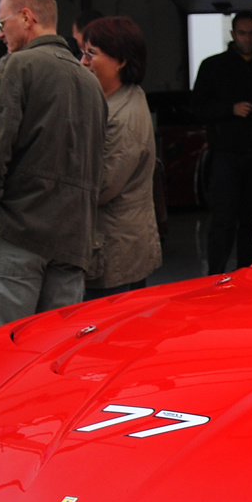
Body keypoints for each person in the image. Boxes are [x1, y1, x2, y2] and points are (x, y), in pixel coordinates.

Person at [0, 0, 107, 331]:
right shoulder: (89, 81)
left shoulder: (17, 66)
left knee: (8, 350)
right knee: (53, 351)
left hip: (16, 234)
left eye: (2, 24)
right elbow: (96, 164)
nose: (1, 35)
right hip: (70, 242)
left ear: (27, 17)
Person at [192, 11, 252, 273]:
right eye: (243, 33)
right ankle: (215, 273)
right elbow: (197, 108)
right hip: (225, 154)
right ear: (233, 34)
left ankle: (248, 273)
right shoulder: (213, 67)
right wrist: (230, 109)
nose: (248, 39)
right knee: (223, 219)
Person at [80, 15, 162, 299]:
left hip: (114, 250)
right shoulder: (120, 97)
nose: (83, 62)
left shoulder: (123, 117)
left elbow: (102, 187)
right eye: (83, 53)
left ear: (121, 61)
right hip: (118, 246)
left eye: (92, 54)